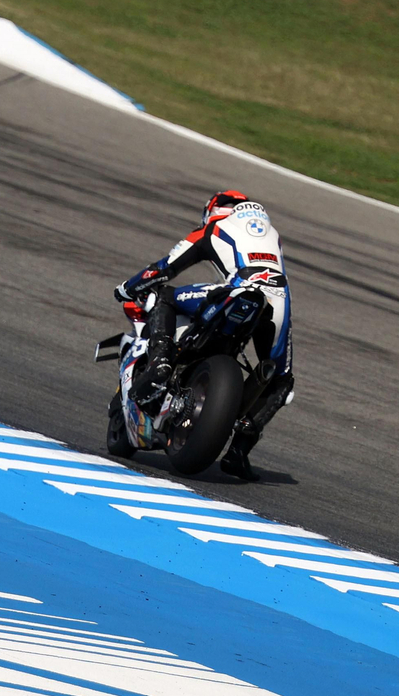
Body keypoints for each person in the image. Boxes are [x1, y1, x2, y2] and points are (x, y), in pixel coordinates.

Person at [113, 191, 294, 481]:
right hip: (278, 302)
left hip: (237, 289)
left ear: (213, 210)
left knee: (165, 297)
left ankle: (160, 364)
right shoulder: (273, 236)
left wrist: (127, 288)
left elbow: (164, 268)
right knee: (280, 377)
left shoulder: (213, 229)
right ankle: (239, 450)